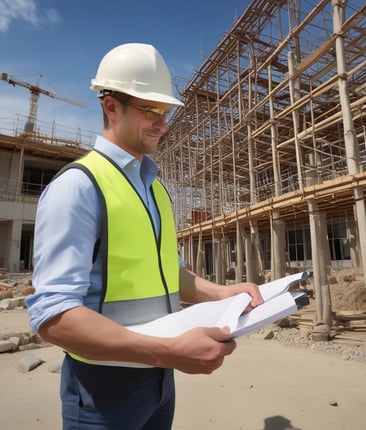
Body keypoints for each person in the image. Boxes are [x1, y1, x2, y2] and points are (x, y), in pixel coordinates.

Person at [26, 43, 263, 430]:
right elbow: (53, 315)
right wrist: (168, 351)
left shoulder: (155, 190)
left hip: (158, 381)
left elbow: (172, 274)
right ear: (111, 107)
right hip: (104, 389)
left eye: (165, 113)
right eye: (150, 111)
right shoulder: (79, 187)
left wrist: (225, 292)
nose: (162, 124)